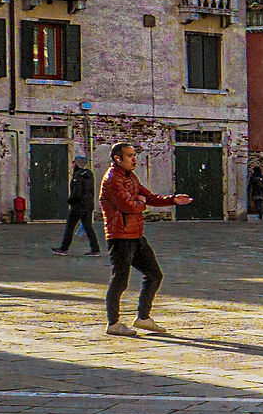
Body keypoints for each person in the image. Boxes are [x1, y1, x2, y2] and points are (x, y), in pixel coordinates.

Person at [99, 142, 189, 337]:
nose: (134, 159)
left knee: (154, 274)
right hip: (120, 236)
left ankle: (143, 318)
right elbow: (128, 206)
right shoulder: (113, 179)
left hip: (136, 235)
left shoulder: (130, 177)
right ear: (117, 159)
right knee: (120, 280)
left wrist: (172, 199)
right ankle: (113, 323)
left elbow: (148, 196)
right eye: (130, 156)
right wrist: (142, 203)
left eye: (134, 155)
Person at [55, 159, 100, 255]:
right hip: (88, 205)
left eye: (73, 162)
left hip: (78, 206)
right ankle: (95, 249)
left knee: (70, 227)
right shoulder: (89, 174)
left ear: (77, 164)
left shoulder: (77, 176)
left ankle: (64, 248)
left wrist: (70, 201)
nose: (72, 164)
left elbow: (77, 192)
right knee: (88, 227)